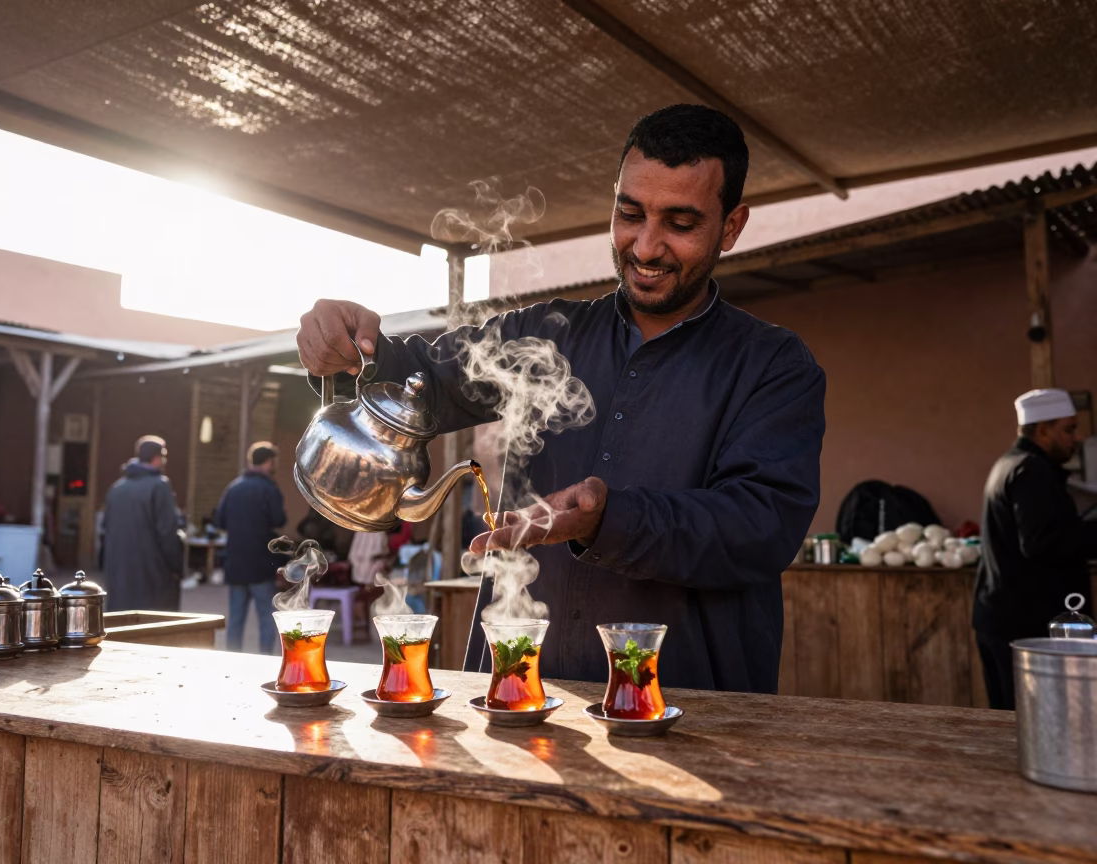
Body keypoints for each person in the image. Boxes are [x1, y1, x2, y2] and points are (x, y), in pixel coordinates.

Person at [297, 104, 826, 693]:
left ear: (731, 226)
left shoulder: (772, 365)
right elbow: (427, 376)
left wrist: (611, 520)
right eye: (630, 214)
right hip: (522, 694)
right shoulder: (549, 334)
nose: (646, 246)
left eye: (680, 223)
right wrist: (355, 348)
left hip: (693, 712)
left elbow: (760, 527)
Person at [973, 389, 1097, 709]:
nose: (1077, 437)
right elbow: (1042, 543)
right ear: (1042, 430)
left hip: (1007, 621)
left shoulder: (1012, 464)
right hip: (1022, 628)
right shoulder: (1030, 470)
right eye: (1068, 429)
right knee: (1028, 727)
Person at [213, 442, 288, 654]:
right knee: (266, 616)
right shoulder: (269, 488)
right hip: (261, 563)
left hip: (236, 562)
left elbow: (219, 521)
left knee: (235, 618)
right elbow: (279, 519)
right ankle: (265, 660)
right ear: (269, 461)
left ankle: (233, 659)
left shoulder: (234, 487)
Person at [103, 435, 184, 612]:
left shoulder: (117, 489)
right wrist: (177, 566)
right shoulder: (160, 486)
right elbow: (167, 532)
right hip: (152, 574)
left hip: (120, 573)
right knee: (152, 629)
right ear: (157, 458)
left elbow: (106, 530)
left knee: (121, 626)